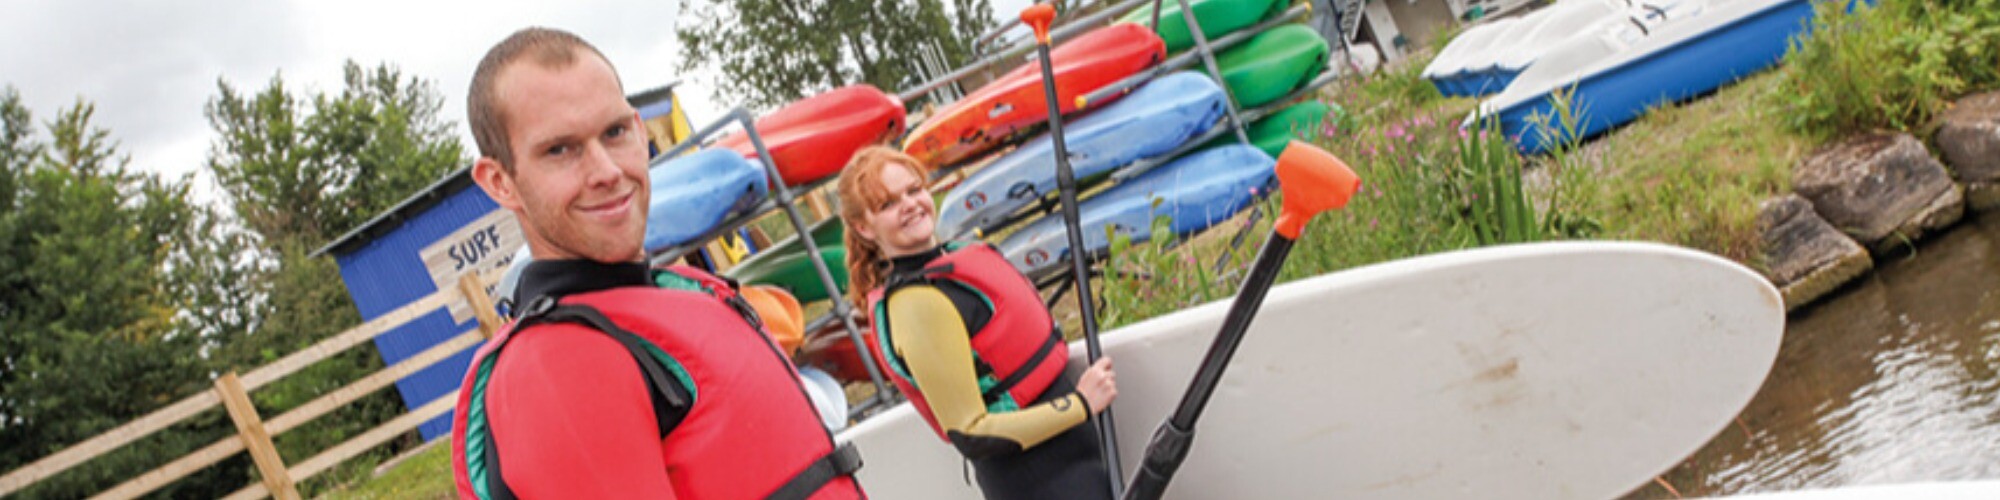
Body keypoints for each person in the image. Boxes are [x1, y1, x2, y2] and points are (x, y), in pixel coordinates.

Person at [447, 27, 863, 499]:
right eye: (560, 150)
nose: (606, 171)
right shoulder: (557, 364)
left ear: (640, 130)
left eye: (615, 132)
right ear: (500, 181)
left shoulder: (673, 290)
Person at [838, 146, 1118, 500]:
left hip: (1074, 459)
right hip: (1040, 480)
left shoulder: (953, 263)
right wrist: (1078, 405)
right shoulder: (917, 304)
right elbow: (973, 432)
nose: (910, 204)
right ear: (864, 227)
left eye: (914, 190)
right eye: (888, 204)